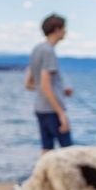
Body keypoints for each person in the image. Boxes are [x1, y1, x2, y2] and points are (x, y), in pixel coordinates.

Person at [25, 13, 74, 154]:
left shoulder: (37, 49)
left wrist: (60, 91)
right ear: (57, 29)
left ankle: (41, 177)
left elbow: (29, 84)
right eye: (64, 28)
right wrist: (61, 114)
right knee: (68, 152)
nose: (65, 32)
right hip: (52, 111)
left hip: (40, 109)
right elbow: (45, 85)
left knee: (46, 150)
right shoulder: (48, 51)